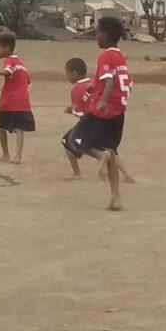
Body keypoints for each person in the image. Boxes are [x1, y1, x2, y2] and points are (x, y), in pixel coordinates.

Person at [60, 17, 131, 210]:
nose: (96, 36)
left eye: (98, 32)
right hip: (118, 112)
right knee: (111, 151)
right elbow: (122, 82)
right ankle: (115, 196)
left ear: (105, 35)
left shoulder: (105, 56)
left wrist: (102, 100)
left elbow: (109, 82)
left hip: (102, 111)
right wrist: (95, 88)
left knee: (73, 140)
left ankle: (100, 156)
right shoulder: (120, 57)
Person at [61, 57, 135, 183]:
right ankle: (128, 175)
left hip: (90, 123)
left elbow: (80, 113)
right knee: (110, 149)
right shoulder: (94, 82)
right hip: (105, 120)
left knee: (67, 141)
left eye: (67, 73)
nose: (67, 76)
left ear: (74, 73)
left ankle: (78, 172)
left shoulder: (77, 89)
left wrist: (71, 110)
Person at [0, 32, 34, 164]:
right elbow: (27, 80)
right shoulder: (20, 63)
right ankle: (18, 156)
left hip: (9, 102)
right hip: (23, 102)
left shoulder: (9, 60)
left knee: (1, 127)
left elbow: (8, 71)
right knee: (19, 129)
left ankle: (5, 154)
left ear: (7, 48)